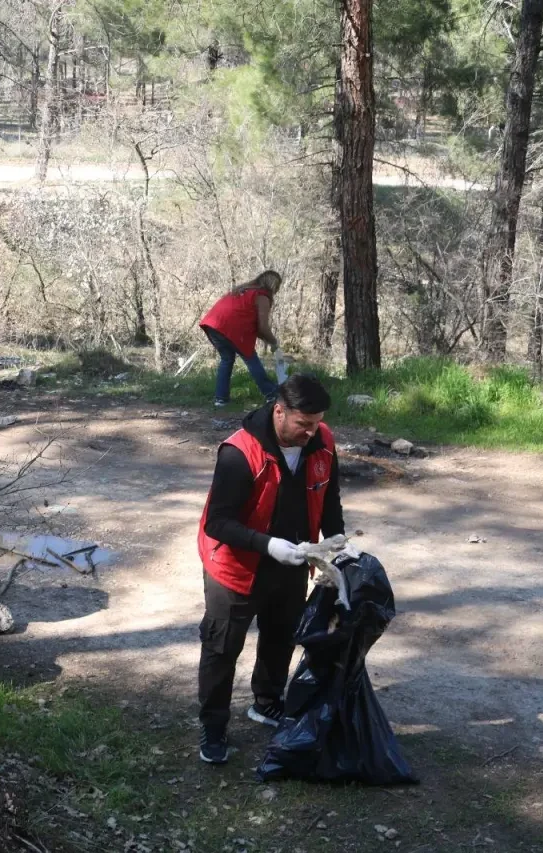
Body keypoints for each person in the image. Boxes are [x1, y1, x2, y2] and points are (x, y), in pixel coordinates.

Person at [195, 374, 343, 765]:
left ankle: (266, 701)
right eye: (303, 424)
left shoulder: (322, 441)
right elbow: (217, 523)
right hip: (235, 566)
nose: (312, 432)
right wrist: (269, 545)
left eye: (317, 423)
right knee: (222, 647)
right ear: (279, 412)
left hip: (293, 559)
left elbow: (329, 500)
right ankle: (213, 727)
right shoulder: (238, 453)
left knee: (281, 635)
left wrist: (337, 545)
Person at [198, 270, 284, 408]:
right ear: (274, 286)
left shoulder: (243, 290)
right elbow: (262, 327)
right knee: (251, 359)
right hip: (231, 328)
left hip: (213, 325)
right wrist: (274, 342)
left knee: (226, 359)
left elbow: (257, 328)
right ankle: (271, 394)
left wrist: (268, 340)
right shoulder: (262, 296)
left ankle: (221, 399)